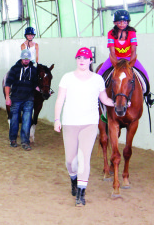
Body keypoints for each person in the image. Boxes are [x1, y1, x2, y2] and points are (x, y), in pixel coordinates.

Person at [54, 47, 114, 207]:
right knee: (70, 161)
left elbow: (105, 99)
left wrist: (119, 104)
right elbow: (60, 99)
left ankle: (81, 192)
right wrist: (56, 119)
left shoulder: (97, 79)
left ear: (90, 60)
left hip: (89, 123)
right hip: (69, 123)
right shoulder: (67, 78)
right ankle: (73, 178)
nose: (82, 60)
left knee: (83, 158)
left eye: (85, 57)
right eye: (79, 57)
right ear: (76, 59)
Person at [97, 9, 154, 107]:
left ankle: (147, 96)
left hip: (129, 58)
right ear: (115, 22)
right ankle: (96, 97)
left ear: (128, 22)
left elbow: (133, 50)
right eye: (119, 22)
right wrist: (116, 64)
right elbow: (112, 51)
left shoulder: (132, 33)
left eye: (124, 21)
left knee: (144, 73)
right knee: (100, 72)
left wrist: (131, 64)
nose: (122, 24)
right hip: (115, 58)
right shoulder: (111, 33)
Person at [5, 49, 38, 151]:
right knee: (14, 119)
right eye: (24, 59)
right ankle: (13, 139)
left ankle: (25, 142)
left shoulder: (34, 70)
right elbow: (8, 84)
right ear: (21, 58)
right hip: (16, 98)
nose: (26, 60)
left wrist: (41, 90)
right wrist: (7, 97)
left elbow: (35, 84)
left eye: (28, 59)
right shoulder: (14, 69)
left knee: (27, 121)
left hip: (29, 99)